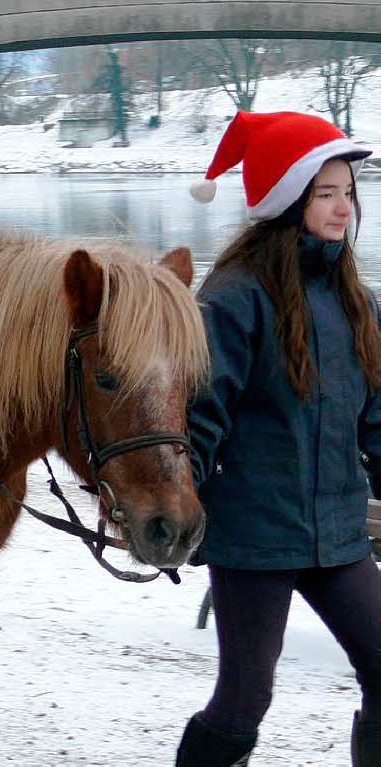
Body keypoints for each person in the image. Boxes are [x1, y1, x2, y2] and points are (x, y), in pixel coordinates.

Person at [181, 111, 381, 766]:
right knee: (244, 699)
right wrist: (177, 512)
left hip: (338, 533)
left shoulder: (359, 301)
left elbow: (376, 418)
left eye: (347, 191)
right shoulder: (236, 297)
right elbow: (201, 416)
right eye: (325, 192)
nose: (342, 205)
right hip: (253, 536)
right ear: (289, 199)